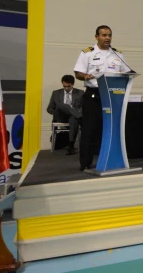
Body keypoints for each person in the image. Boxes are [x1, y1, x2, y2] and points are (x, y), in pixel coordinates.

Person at [73, 25, 131, 171]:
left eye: (109, 35)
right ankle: (85, 163)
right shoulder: (88, 53)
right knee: (90, 129)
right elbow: (78, 73)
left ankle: (111, 158)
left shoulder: (117, 54)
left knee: (111, 128)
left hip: (113, 96)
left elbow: (127, 72)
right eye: (104, 35)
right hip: (94, 95)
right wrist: (85, 76)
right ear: (96, 37)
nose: (107, 38)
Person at [46, 74, 83, 155]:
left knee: (73, 118)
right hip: (60, 116)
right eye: (64, 86)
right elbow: (49, 108)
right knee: (61, 105)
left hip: (72, 117)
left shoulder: (80, 93)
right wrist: (55, 112)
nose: (66, 88)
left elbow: (83, 107)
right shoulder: (56, 93)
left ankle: (71, 146)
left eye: (68, 86)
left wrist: (75, 111)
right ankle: (78, 116)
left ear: (72, 84)